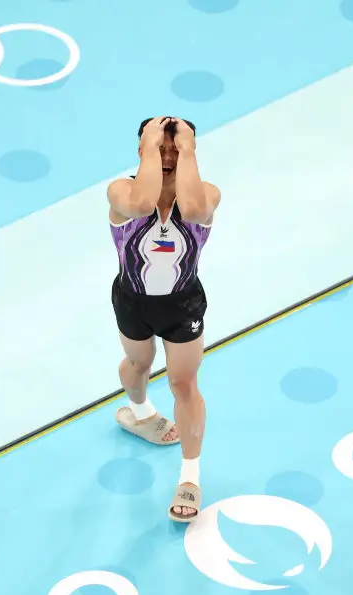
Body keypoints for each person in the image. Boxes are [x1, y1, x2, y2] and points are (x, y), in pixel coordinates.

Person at [107, 116, 221, 523]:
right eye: (159, 148)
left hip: (182, 304)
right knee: (138, 364)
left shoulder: (205, 195)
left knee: (183, 382)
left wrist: (186, 147)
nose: (168, 155)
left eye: (176, 149)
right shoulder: (121, 191)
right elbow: (141, 203)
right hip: (133, 301)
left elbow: (190, 208)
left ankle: (190, 477)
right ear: (141, 151)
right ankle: (139, 414)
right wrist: (154, 142)